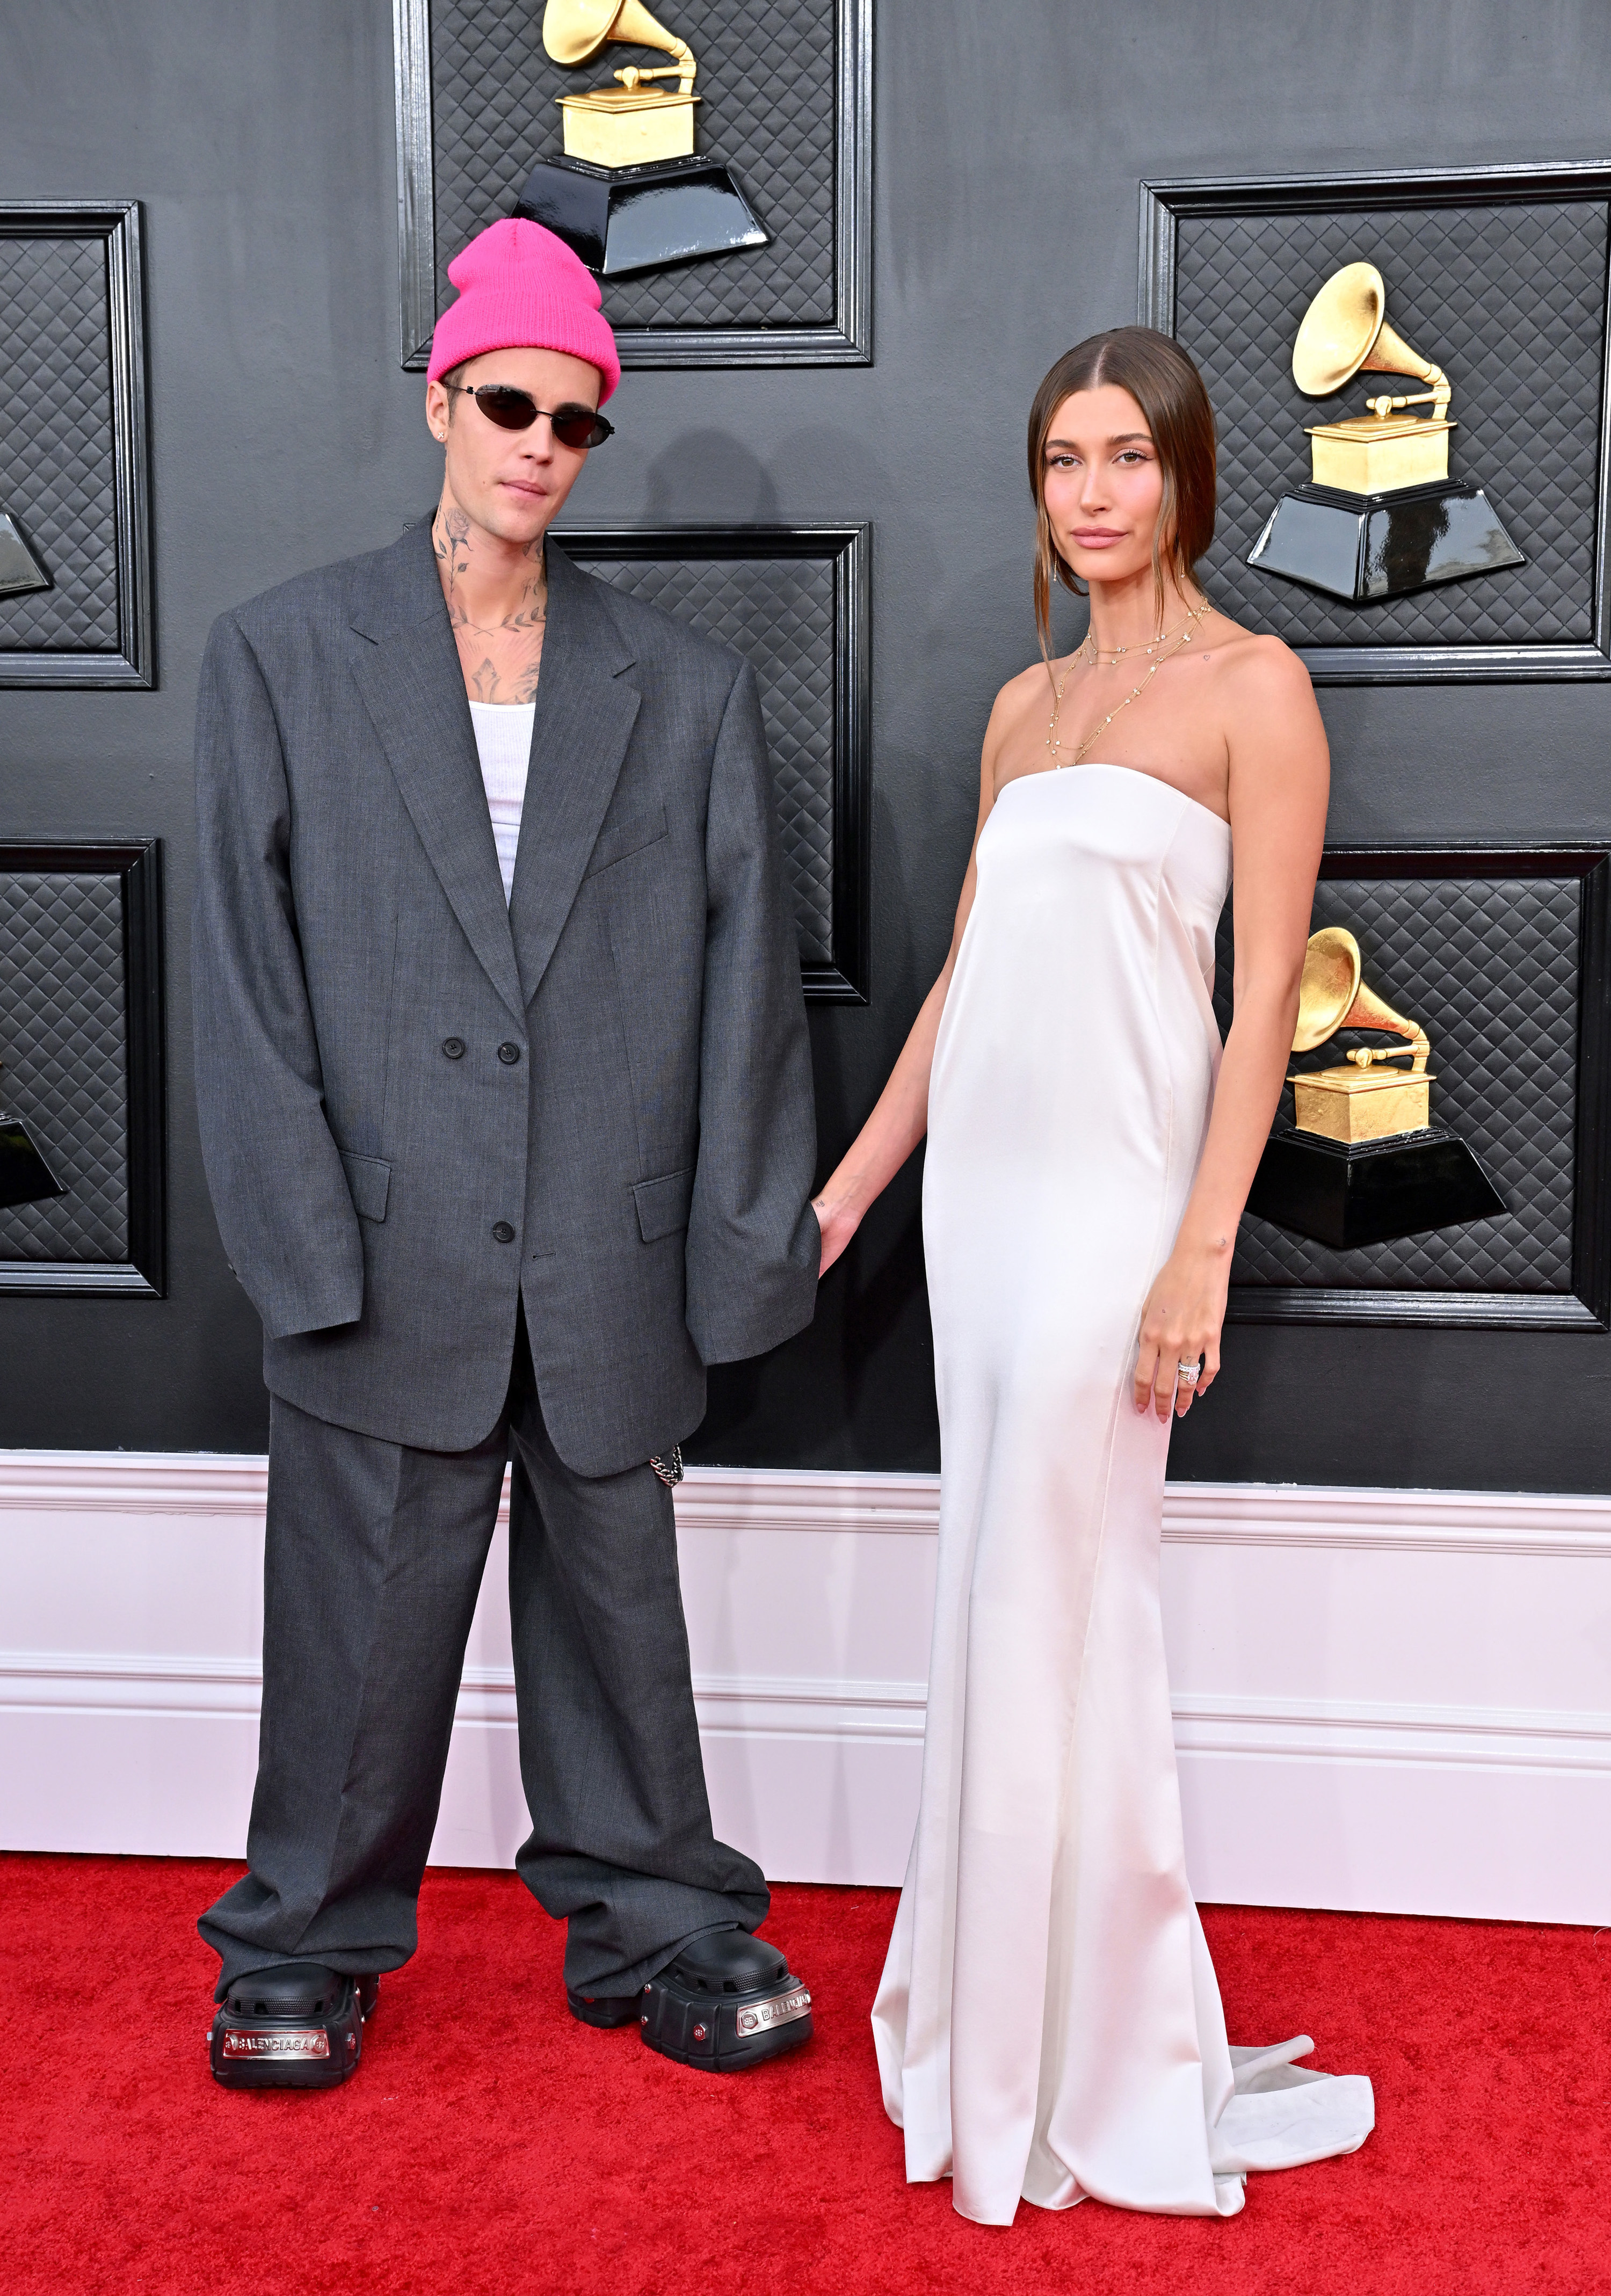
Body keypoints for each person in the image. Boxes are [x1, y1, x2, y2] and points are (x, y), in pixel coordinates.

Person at [191, 217, 820, 2088]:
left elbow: (746, 997)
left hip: (608, 1243)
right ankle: (302, 1934)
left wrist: (732, 1252)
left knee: (624, 1613)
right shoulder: (283, 656)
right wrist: (304, 1245)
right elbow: (240, 975)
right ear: (441, 402)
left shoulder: (685, 691)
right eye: (510, 405)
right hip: (382, 1245)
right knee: (359, 1636)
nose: (542, 443)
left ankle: (665, 1915)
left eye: (576, 419)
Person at [812, 329, 1374, 2221]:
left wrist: (1198, 1250)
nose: (1095, 490)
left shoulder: (1257, 686)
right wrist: (850, 1194)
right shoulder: (1022, 709)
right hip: (985, 1194)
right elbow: (965, 988)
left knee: (1075, 1598)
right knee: (1000, 1586)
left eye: (1129, 455)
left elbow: (1258, 1015)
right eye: (1064, 458)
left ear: (1189, 476)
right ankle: (999, 2023)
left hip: (1126, 1206)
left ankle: (1098, 2048)